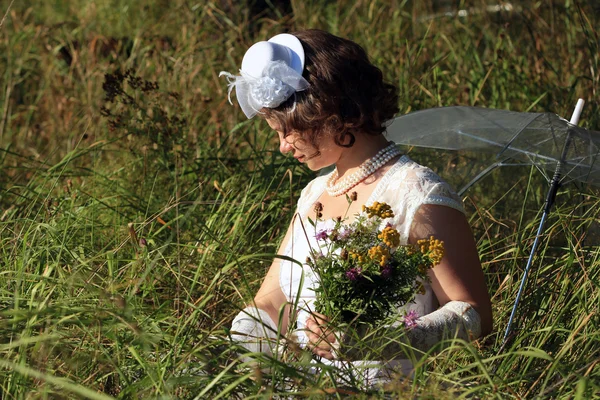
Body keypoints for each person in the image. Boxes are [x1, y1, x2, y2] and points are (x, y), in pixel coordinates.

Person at [220, 29, 492, 383]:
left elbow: (474, 317)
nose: (284, 147)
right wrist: (241, 340)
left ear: (328, 113)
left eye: (287, 131)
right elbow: (272, 305)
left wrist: (377, 341)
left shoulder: (417, 193)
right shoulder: (313, 196)